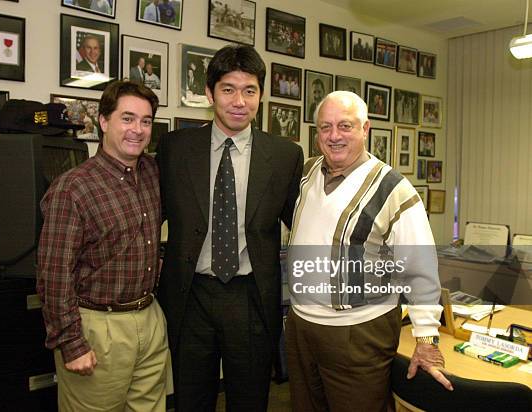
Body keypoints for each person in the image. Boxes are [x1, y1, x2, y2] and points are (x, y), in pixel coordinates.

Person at [156, 44, 303, 412]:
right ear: (209, 93)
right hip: (191, 297)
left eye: (250, 90)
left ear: (261, 95)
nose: (240, 101)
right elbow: (149, 213)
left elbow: (302, 224)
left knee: (250, 400)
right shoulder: (175, 148)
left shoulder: (285, 156)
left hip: (251, 297)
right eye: (228, 89)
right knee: (191, 400)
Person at [286, 91, 452, 412]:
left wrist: (426, 339)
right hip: (301, 328)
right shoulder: (308, 173)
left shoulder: (394, 188)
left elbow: (420, 268)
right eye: (325, 127)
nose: (334, 136)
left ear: (365, 129)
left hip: (358, 334)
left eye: (345, 126)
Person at [37, 81, 168, 412]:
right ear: (104, 121)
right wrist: (71, 343)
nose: (137, 130)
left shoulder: (153, 173)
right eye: (127, 118)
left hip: (149, 319)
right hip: (98, 327)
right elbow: (54, 275)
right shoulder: (73, 188)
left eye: (146, 121)